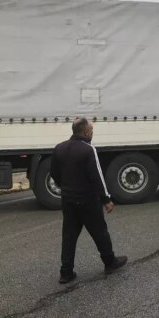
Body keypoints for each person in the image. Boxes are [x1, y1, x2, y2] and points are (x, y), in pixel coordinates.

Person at [50, 117, 127, 284]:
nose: (92, 134)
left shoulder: (59, 148)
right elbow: (96, 177)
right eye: (91, 131)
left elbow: (54, 173)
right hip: (87, 200)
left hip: (68, 200)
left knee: (69, 235)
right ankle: (110, 262)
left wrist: (65, 187)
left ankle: (66, 272)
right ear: (85, 132)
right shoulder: (88, 149)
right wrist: (106, 199)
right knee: (100, 231)